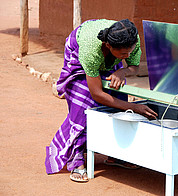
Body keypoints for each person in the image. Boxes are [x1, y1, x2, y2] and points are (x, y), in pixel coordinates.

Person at [45, 19, 158, 182]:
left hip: (106, 56)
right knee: (84, 104)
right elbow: (97, 93)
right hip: (79, 53)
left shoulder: (131, 39)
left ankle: (115, 154)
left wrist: (122, 71)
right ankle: (76, 158)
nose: (127, 56)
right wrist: (133, 107)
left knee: (117, 95)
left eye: (129, 52)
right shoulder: (91, 50)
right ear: (108, 46)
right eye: (122, 54)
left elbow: (134, 66)